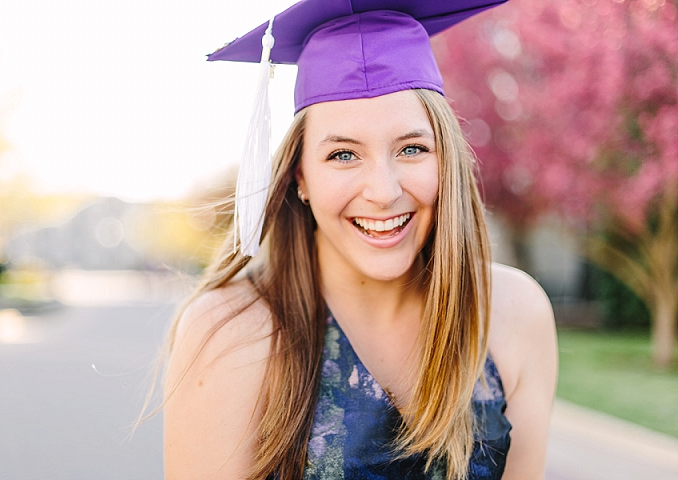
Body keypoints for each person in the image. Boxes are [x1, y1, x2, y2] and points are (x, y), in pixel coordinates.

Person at [163, 1, 557, 479]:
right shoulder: (232, 334)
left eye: (412, 148)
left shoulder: (512, 315)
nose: (384, 192)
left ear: (447, 159)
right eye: (344, 155)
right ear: (299, 177)